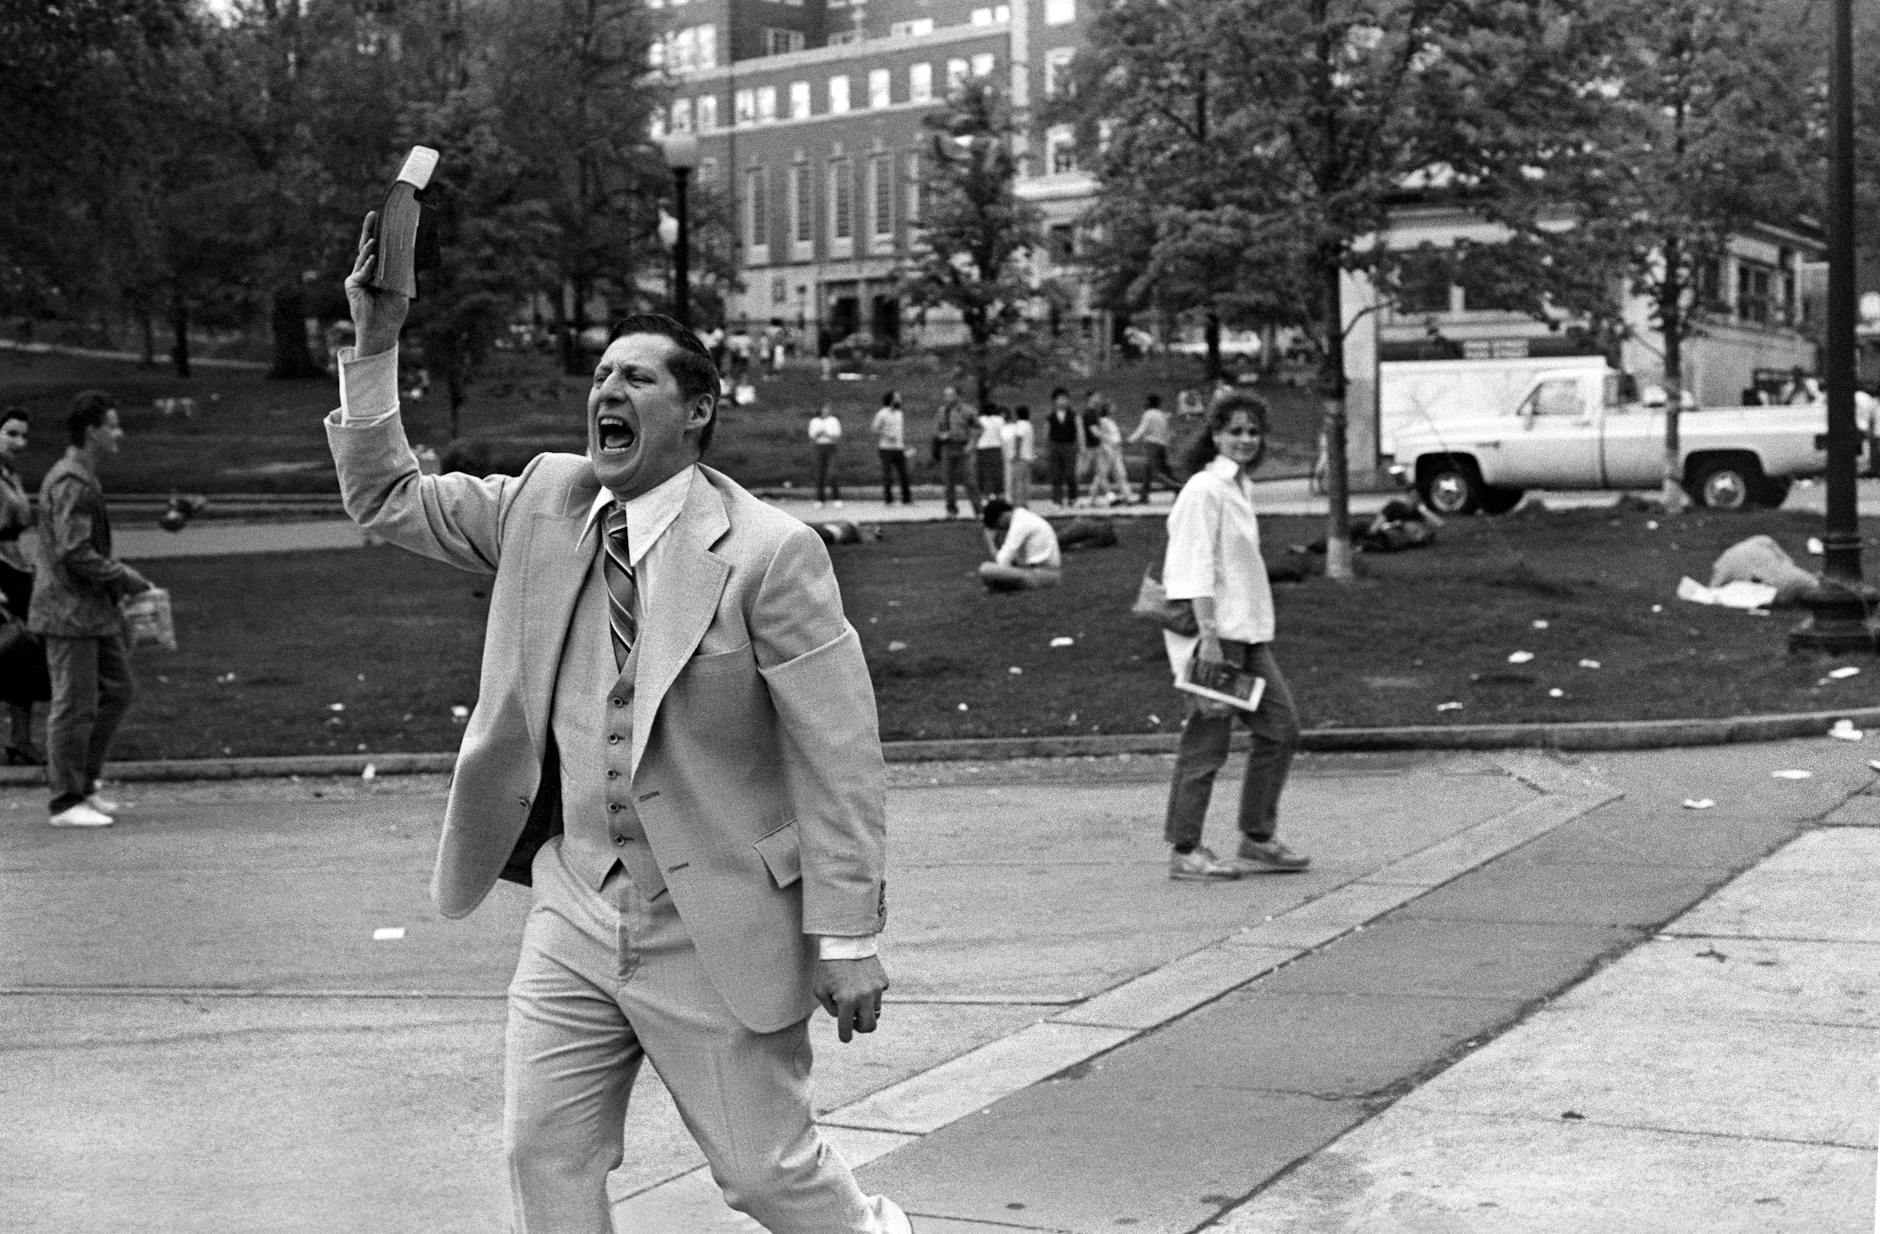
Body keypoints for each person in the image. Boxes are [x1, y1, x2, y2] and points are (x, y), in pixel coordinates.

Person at [330, 216, 909, 1234]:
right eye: (600, 375)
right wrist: (376, 339)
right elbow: (384, 497)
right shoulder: (542, 504)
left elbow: (839, 755)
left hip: (714, 918)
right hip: (575, 904)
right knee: (543, 1155)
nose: (607, 391)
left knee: (767, 1177)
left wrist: (848, 932)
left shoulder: (771, 554)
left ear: (697, 411)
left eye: (637, 379)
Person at [1160, 389, 1310, 881]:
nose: (1244, 440)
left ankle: (1257, 837)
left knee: (1281, 729)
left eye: (1252, 431)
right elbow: (1192, 566)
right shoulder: (1205, 488)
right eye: (1234, 431)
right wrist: (1207, 637)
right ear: (1214, 434)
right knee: (1207, 742)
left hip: (1246, 636)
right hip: (1217, 637)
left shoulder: (1238, 487)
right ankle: (1186, 849)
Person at [31, 391, 156, 829]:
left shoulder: (81, 478)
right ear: (92, 431)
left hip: (91, 611)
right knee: (73, 704)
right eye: (113, 425)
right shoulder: (71, 482)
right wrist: (121, 577)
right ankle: (66, 801)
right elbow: (74, 552)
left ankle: (83, 785)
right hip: (68, 612)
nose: (118, 433)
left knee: (117, 689)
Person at [0, 406, 41, 763]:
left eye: (23, 435)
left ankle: (21, 738)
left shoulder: (10, 476)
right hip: (1, 574)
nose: (19, 442)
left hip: (16, 569)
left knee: (22, 653)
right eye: (11, 433)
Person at [977, 496, 1061, 592]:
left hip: (1042, 574)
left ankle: (1004, 587)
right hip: (1040, 572)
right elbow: (1013, 561)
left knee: (985, 569)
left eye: (997, 525)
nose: (1000, 529)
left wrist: (991, 542)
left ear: (1002, 516)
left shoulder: (1020, 523)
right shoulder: (1023, 517)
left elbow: (1002, 561)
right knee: (992, 578)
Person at [933, 384, 979, 518]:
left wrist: (971, 443)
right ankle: (951, 510)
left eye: (950, 395)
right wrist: (941, 435)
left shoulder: (966, 411)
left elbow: (978, 428)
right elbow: (936, 429)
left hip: (963, 448)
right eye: (946, 395)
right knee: (948, 481)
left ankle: (978, 510)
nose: (948, 398)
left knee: (970, 480)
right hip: (948, 447)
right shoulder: (942, 411)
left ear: (957, 396)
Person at [1128, 394, 1181, 504]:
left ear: (1149, 402)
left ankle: (1179, 489)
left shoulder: (1149, 414)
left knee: (1157, 472)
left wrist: (1130, 440)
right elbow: (1167, 432)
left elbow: (1142, 429)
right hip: (1162, 445)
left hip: (1151, 445)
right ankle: (1144, 496)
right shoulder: (1161, 415)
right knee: (1153, 471)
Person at [872, 391, 913, 504]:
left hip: (899, 448)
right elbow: (875, 428)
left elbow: (900, 431)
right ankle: (889, 499)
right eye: (897, 398)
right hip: (886, 449)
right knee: (888, 475)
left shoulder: (900, 413)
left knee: (904, 474)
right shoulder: (882, 413)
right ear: (891, 400)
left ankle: (906, 499)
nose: (900, 400)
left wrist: (905, 445)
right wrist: (887, 435)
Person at [1043, 388, 1081, 507]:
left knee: (1070, 473)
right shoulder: (1050, 415)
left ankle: (1073, 498)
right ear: (1055, 401)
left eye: (1065, 399)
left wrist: (1081, 445)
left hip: (1069, 445)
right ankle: (1057, 500)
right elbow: (1046, 432)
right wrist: (1046, 447)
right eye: (1060, 399)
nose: (1063, 401)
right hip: (1055, 446)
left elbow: (1079, 430)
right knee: (1056, 474)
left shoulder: (1073, 415)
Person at [1089, 398, 1129, 506]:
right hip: (1108, 450)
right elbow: (1102, 436)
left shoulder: (1111, 421)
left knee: (1120, 474)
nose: (1114, 408)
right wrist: (1106, 447)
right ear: (1107, 408)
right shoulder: (1103, 421)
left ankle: (1126, 496)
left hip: (1116, 450)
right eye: (1111, 406)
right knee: (1101, 475)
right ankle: (1092, 498)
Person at [808, 402, 844, 507]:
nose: (826, 411)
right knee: (819, 473)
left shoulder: (833, 420)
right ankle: (820, 499)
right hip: (819, 447)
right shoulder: (814, 421)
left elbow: (836, 435)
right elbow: (812, 436)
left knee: (832, 473)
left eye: (827, 409)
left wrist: (827, 434)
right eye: (824, 409)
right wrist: (819, 433)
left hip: (831, 447)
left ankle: (836, 498)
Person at [1001, 404, 1036, 507]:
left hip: (1021, 457)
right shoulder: (1029, 425)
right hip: (1028, 457)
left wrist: (1015, 454)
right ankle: (1024, 502)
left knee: (1017, 481)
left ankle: (1018, 503)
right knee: (1025, 481)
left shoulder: (1020, 425)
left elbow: (1018, 439)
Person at [974, 403, 1007, 500]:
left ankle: (985, 495)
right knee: (997, 473)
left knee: (984, 473)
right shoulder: (999, 420)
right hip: (996, 448)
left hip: (982, 449)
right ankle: (999, 494)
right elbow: (1003, 434)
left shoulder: (980, 420)